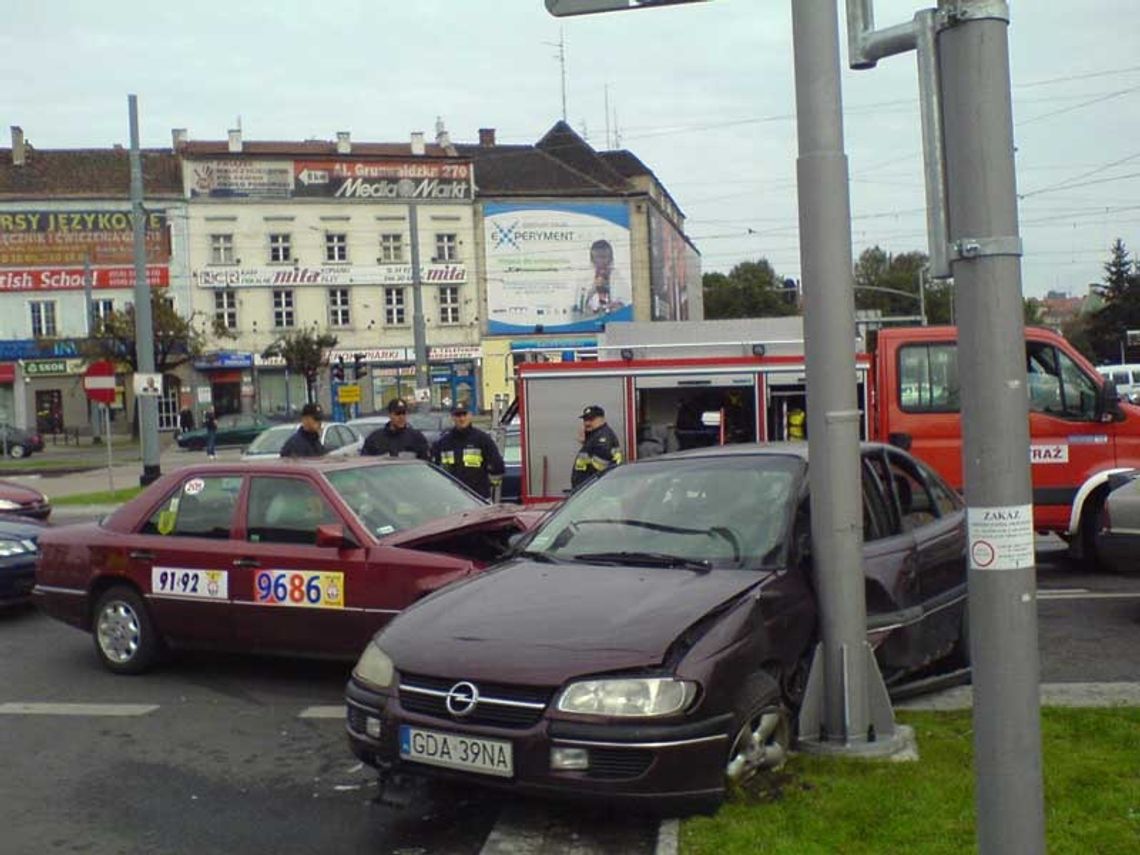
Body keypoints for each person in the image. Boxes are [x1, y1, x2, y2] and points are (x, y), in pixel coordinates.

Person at [431, 403, 504, 500]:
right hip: (452, 497)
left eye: (464, 415)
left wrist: (488, 485)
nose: (461, 419)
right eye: (458, 415)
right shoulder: (444, 442)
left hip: (478, 497)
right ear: (452, 417)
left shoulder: (482, 439)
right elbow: (434, 469)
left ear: (470, 415)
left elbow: (497, 467)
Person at [571, 404, 623, 489]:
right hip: (591, 488)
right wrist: (585, 443)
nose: (587, 423)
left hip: (594, 488)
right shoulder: (596, 436)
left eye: (591, 419)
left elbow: (600, 469)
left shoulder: (603, 437)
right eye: (585, 419)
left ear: (602, 419)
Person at [362, 398, 429, 460]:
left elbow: (425, 462)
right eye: (397, 414)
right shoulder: (375, 438)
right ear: (390, 415)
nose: (401, 417)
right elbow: (366, 462)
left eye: (404, 413)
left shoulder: (416, 437)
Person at [575, 240, 626, 317]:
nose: (602, 261)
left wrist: (617, 305)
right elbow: (578, 307)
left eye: (605, 257)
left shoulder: (620, 280)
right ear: (592, 260)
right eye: (599, 257)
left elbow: (626, 304)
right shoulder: (583, 282)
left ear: (611, 259)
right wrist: (593, 290)